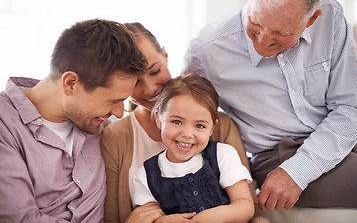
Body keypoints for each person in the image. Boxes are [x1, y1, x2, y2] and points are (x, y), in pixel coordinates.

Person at [183, 0, 357, 215]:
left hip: (339, 131)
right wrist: (296, 171)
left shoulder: (331, 16)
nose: (264, 42)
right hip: (277, 154)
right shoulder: (206, 50)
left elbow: (348, 105)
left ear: (311, 19)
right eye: (255, 22)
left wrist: (300, 170)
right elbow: (179, 109)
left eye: (282, 33)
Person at [100, 22, 270, 223]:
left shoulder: (222, 130)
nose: (149, 89)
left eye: (155, 71)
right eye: (135, 82)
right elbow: (113, 217)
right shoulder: (116, 138)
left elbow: (250, 208)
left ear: (165, 55)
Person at [0, 19, 147, 222]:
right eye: (114, 100)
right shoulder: (5, 126)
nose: (119, 113)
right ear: (70, 83)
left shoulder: (103, 129)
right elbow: (21, 219)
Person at [131, 73, 255, 223]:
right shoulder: (145, 175)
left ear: (211, 129)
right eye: (176, 122)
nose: (187, 134)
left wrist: (218, 215)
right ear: (158, 119)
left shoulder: (223, 155)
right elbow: (148, 217)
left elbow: (245, 206)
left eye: (199, 126)